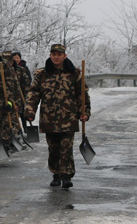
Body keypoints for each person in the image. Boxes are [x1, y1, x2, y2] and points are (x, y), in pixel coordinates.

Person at [25, 44, 90, 189]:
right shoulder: (42, 74)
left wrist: (84, 111)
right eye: (54, 54)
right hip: (49, 118)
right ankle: (55, 174)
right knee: (53, 148)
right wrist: (30, 111)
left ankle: (66, 175)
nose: (56, 57)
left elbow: (82, 95)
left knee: (66, 148)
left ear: (64, 56)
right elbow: (33, 93)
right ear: (50, 56)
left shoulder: (74, 73)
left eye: (59, 54)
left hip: (69, 118)